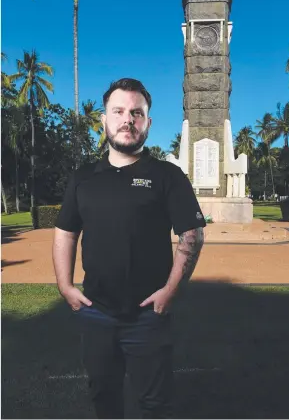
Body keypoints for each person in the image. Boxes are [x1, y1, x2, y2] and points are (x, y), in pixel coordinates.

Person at [52, 78, 206, 419]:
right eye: (118, 111)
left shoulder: (167, 175)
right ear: (104, 120)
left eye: (137, 113)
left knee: (154, 404)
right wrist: (64, 286)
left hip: (148, 315)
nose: (128, 120)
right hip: (95, 311)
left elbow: (192, 235)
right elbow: (65, 232)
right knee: (104, 399)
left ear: (148, 122)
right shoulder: (83, 177)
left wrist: (170, 291)